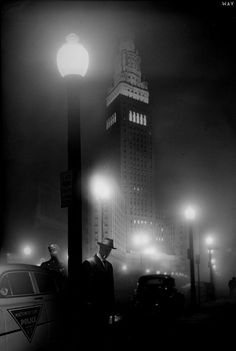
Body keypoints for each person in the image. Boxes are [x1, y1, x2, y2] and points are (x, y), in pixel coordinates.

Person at [82, 237, 116, 334]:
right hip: (92, 310)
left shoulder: (109, 266)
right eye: (106, 249)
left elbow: (111, 288)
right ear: (100, 247)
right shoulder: (88, 263)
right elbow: (83, 288)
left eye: (109, 250)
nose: (108, 251)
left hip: (105, 309)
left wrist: (112, 309)